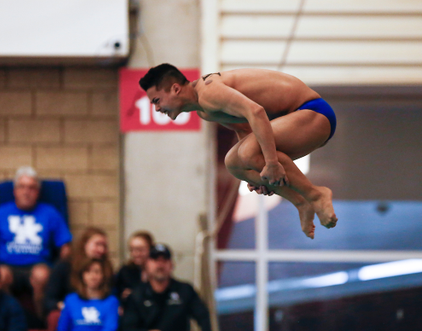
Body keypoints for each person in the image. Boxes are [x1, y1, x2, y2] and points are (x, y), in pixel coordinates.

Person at [139, 64, 338, 239]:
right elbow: (244, 128)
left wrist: (271, 163)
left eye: (156, 100)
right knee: (233, 163)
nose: (156, 109)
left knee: (247, 154)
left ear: (175, 89)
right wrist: (258, 175)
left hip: (314, 113)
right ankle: (301, 202)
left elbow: (256, 112)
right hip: (296, 122)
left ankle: (316, 195)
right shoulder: (203, 110)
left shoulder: (209, 92)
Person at [0, 166, 72, 318]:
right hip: (8, 266)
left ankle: (41, 320)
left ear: (38, 192)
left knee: (41, 275)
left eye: (31, 188)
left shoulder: (50, 213)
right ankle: (10, 317)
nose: (26, 192)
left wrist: (60, 271)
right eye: (22, 187)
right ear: (15, 191)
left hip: (38, 265)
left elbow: (66, 247)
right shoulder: (1, 213)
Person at [121, 243, 213, 331]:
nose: (160, 265)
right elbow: (127, 329)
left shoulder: (185, 290)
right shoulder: (137, 295)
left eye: (164, 260)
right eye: (156, 260)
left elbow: (202, 315)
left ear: (172, 264)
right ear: (147, 264)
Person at [44, 227, 113, 331]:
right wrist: (61, 305)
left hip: (99, 311)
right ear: (84, 244)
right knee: (56, 317)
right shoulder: (64, 266)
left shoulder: (108, 269)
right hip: (70, 310)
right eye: (97, 244)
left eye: (104, 246)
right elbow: (49, 299)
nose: (101, 249)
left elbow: (110, 294)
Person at [56, 258, 119, 331]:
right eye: (88, 271)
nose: (92, 276)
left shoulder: (111, 301)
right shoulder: (70, 300)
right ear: (82, 275)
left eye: (97, 272)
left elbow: (110, 330)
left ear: (103, 275)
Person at [114, 231, 154, 305]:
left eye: (140, 250)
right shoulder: (125, 272)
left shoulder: (156, 271)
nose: (136, 254)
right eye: (132, 250)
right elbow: (115, 293)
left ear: (150, 249)